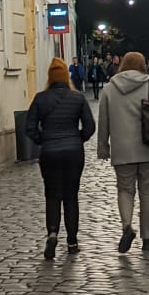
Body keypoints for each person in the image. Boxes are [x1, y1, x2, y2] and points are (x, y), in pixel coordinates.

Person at [97, 49, 149, 253]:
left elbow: (103, 121)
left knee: (124, 189)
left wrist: (103, 147)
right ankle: (148, 238)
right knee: (147, 191)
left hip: (122, 149)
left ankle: (127, 226)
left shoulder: (109, 88)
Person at [25, 57, 96, 259]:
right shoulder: (78, 98)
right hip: (73, 152)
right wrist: (77, 139)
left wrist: (43, 140)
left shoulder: (40, 98)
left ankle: (53, 233)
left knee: (52, 194)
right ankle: (72, 242)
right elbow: (90, 127)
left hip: (49, 152)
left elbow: (29, 127)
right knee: (71, 196)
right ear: (67, 76)